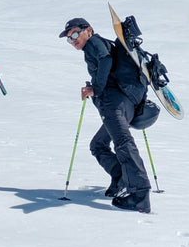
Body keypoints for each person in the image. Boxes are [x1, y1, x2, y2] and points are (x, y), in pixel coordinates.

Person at [59, 17, 152, 213]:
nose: (73, 39)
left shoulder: (94, 43)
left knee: (123, 143)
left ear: (89, 30)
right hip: (126, 103)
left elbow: (105, 59)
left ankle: (139, 194)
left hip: (114, 104)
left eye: (75, 33)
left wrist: (96, 88)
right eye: (69, 38)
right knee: (98, 144)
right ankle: (120, 178)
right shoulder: (104, 44)